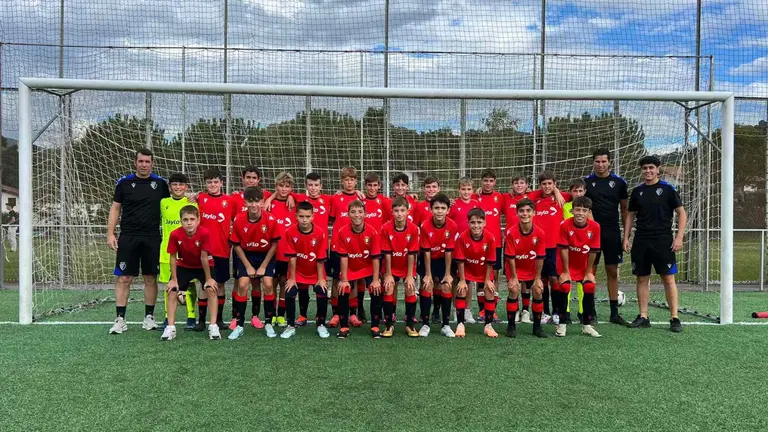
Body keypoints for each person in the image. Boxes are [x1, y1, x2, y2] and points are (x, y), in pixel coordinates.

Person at [108, 148, 170, 335]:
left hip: (152, 237)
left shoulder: (160, 184)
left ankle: (149, 317)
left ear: (152, 163)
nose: (144, 165)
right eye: (141, 161)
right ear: (135, 162)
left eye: (147, 162)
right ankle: (120, 319)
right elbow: (115, 208)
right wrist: (110, 233)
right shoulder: (124, 183)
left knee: (150, 278)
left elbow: (171, 205)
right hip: (128, 236)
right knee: (124, 278)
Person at [623, 155, 686, 333]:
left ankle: (674, 317)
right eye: (645, 168)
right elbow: (630, 215)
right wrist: (626, 237)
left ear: (658, 169)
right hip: (641, 240)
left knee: (668, 278)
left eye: (651, 167)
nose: (648, 171)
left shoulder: (668, 189)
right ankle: (643, 316)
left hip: (663, 239)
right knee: (642, 278)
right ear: (641, 170)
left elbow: (682, 213)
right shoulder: (637, 191)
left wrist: (679, 237)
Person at [585, 148, 631, 326]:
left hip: (612, 232)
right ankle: (590, 312)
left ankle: (614, 313)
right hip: (592, 234)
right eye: (597, 161)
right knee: (591, 271)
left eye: (604, 161)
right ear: (593, 162)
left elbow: (625, 210)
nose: (600, 164)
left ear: (609, 162)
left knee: (612, 271)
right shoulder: (586, 182)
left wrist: (626, 236)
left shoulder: (619, 182)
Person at [161, 205, 220, 340]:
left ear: (198, 220)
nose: (189, 223)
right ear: (181, 221)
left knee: (211, 288)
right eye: (185, 219)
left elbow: (204, 257)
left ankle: (213, 326)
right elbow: (172, 257)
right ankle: (170, 327)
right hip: (184, 265)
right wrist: (174, 279)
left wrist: (209, 279)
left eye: (192, 219)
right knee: (172, 290)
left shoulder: (204, 233)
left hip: (203, 265)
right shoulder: (175, 234)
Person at [229, 186, 280, 339]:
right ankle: (239, 325)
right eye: (250, 201)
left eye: (257, 201)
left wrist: (263, 266)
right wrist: (248, 266)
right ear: (245, 202)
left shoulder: (270, 219)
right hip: (246, 255)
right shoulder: (239, 219)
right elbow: (236, 245)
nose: (253, 205)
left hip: (266, 256)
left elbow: (275, 244)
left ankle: (268, 323)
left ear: (262, 202)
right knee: (243, 284)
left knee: (268, 284)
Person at [335, 200, 382, 339]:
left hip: (367, 267)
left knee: (375, 288)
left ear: (365, 214)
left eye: (360, 212)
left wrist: (375, 280)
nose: (357, 215)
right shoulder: (342, 231)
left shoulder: (372, 231)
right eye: (353, 212)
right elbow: (343, 257)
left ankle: (375, 326)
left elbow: (375, 257)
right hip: (350, 267)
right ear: (348, 214)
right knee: (343, 288)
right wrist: (344, 279)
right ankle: (344, 326)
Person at [283, 201, 330, 338]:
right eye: (301, 216)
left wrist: (320, 279)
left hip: (315, 271)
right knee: (289, 291)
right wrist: (292, 278)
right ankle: (290, 326)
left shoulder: (320, 233)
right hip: (297, 271)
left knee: (322, 290)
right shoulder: (290, 232)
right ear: (296, 216)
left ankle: (321, 325)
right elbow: (292, 257)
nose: (304, 220)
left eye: (308, 216)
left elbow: (320, 258)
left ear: (313, 216)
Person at [527, 171, 570, 323]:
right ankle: (544, 312)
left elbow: (577, 194)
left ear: (555, 184)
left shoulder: (561, 197)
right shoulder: (534, 197)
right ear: (540, 185)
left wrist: (557, 192)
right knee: (541, 279)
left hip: (556, 246)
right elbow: (523, 194)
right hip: (539, 246)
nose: (547, 187)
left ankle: (557, 311)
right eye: (544, 184)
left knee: (554, 279)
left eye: (550, 184)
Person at [557, 196, 602, 338]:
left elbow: (593, 251)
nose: (580, 213)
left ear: (589, 212)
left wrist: (588, 272)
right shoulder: (564, 225)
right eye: (577, 210)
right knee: (564, 287)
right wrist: (566, 272)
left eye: (584, 210)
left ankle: (586, 325)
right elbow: (563, 249)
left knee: (589, 286)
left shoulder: (595, 226)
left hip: (583, 265)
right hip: (566, 263)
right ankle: (562, 324)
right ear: (572, 211)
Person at [197, 168, 234, 331]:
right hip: (204, 251)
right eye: (209, 182)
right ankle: (201, 320)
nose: (213, 185)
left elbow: (238, 219)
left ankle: (218, 319)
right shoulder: (200, 198)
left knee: (220, 284)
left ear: (221, 183)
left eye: (215, 182)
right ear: (205, 184)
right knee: (204, 284)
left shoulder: (230, 201)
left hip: (222, 249)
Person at [504, 198, 547, 338]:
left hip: (532, 267)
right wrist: (514, 277)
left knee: (538, 290)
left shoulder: (540, 233)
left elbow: (540, 257)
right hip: (515, 268)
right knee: (514, 289)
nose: (525, 214)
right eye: (521, 211)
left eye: (528, 211)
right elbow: (510, 257)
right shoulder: (511, 232)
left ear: (534, 213)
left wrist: (538, 278)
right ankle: (511, 326)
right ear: (517, 213)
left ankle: (537, 327)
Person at [159, 173, 197, 331]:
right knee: (169, 285)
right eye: (174, 184)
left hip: (187, 252)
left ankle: (191, 316)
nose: (178, 187)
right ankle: (167, 317)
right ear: (169, 187)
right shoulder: (163, 202)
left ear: (186, 187)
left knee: (190, 284)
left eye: (181, 184)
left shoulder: (192, 203)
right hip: (166, 252)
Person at [327, 167, 364, 328]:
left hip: (354, 247)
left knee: (353, 279)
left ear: (356, 181)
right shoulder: (335, 198)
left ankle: (353, 314)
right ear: (342, 181)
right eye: (346, 180)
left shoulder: (360, 198)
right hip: (337, 246)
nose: (349, 183)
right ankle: (336, 313)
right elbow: (330, 220)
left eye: (352, 180)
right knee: (337, 279)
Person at [418, 193, 457, 338]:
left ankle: (445, 325)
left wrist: (447, 274)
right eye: (436, 208)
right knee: (427, 285)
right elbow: (426, 252)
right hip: (428, 259)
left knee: (446, 285)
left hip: (443, 259)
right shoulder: (425, 225)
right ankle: (425, 324)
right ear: (431, 209)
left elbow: (449, 251)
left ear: (448, 210)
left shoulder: (452, 225)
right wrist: (428, 274)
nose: (439, 211)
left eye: (443, 208)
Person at [381, 196, 420, 337]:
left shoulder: (413, 229)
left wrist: (409, 275)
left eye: (402, 210)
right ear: (392, 212)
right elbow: (387, 253)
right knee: (389, 287)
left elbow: (412, 254)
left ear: (408, 211)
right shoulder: (385, 228)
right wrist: (388, 274)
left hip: (407, 266)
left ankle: (410, 325)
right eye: (396, 210)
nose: (399, 214)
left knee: (410, 288)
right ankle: (389, 325)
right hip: (391, 265)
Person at [455, 208, 497, 338]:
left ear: (484, 223)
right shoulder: (462, 237)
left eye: (479, 222)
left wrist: (487, 280)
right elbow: (460, 260)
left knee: (489, 290)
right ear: (468, 223)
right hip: (467, 270)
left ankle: (488, 325)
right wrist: (462, 280)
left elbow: (491, 261)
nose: (476, 225)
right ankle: (460, 324)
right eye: (473, 222)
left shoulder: (490, 238)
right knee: (461, 289)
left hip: (483, 270)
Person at [264, 172, 298, 328]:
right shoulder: (268, 202)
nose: (284, 189)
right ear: (276, 186)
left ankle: (281, 315)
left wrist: (291, 196)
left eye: (287, 186)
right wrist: (271, 197)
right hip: (272, 252)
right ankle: (271, 315)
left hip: (288, 253)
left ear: (291, 188)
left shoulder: (295, 202)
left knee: (285, 282)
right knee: (271, 283)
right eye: (281, 186)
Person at [448, 177, 480, 325]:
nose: (466, 192)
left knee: (469, 280)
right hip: (457, 248)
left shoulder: (476, 204)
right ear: (458, 190)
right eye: (463, 189)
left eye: (469, 189)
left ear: (472, 190)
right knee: (456, 279)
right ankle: (457, 309)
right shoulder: (454, 205)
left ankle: (467, 309)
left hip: (471, 249)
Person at [475, 169, 504, 323]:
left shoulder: (500, 197)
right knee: (480, 277)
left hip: (496, 243)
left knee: (494, 276)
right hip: (478, 243)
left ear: (495, 182)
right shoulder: (475, 197)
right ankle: (481, 310)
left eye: (491, 181)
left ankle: (492, 310)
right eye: (485, 180)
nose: (488, 183)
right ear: (481, 182)